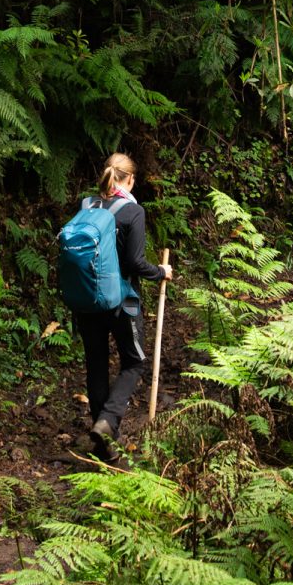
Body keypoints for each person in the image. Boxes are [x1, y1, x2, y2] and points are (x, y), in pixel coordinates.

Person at [75, 152, 171, 456]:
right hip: (121, 302)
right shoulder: (133, 211)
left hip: (86, 300)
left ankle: (105, 444)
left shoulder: (86, 206)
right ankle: (107, 421)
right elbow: (135, 262)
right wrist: (161, 272)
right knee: (133, 362)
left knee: (97, 365)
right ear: (129, 179)